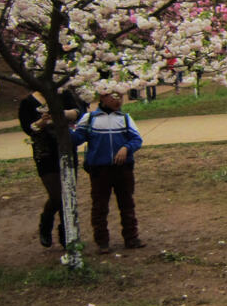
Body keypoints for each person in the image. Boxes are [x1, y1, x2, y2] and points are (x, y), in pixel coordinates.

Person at [71, 90, 145, 254]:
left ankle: (131, 237)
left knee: (127, 204)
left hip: (123, 169)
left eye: (121, 96)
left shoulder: (124, 118)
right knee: (99, 206)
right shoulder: (90, 119)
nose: (119, 100)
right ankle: (102, 241)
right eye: (114, 97)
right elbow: (76, 139)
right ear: (103, 98)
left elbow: (137, 139)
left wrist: (127, 148)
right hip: (99, 169)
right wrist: (64, 127)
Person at [19, 88, 87, 248]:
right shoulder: (28, 102)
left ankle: (67, 234)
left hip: (65, 146)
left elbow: (79, 113)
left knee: (68, 193)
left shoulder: (63, 94)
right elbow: (28, 129)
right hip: (45, 152)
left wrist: (61, 113)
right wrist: (41, 122)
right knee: (57, 195)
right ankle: (46, 222)